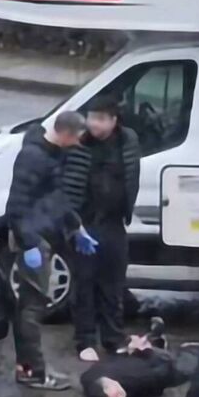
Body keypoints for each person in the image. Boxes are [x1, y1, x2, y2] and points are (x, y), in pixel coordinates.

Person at [6, 111, 99, 390]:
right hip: (35, 241)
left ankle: (28, 367)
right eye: (77, 138)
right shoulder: (33, 158)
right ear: (66, 133)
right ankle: (33, 372)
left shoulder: (53, 154)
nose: (79, 143)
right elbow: (16, 207)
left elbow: (57, 198)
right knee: (32, 307)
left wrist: (76, 227)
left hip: (42, 236)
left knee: (31, 305)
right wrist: (29, 243)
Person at [62, 94, 142, 362]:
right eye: (91, 118)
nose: (93, 124)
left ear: (113, 120)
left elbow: (132, 175)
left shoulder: (127, 141)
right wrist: (73, 224)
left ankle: (113, 338)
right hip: (85, 224)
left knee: (113, 284)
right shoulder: (79, 144)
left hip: (114, 223)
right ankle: (85, 340)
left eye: (100, 119)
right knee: (84, 284)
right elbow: (66, 184)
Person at [80, 318, 187, 397]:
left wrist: (132, 349)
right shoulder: (138, 382)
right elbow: (161, 376)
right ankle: (157, 343)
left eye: (117, 394)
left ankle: (154, 341)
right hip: (155, 364)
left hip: (132, 359)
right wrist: (146, 351)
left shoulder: (92, 377)